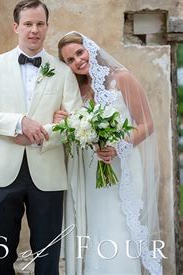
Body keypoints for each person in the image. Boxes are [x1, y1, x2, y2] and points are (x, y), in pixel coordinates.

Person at [0, 0, 83, 275]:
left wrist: (40, 134)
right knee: (1, 255)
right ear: (16, 27)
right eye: (28, 24)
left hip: (48, 172)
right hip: (1, 173)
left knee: (47, 257)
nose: (34, 30)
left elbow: (76, 120)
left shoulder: (62, 71)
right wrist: (19, 123)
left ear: (47, 27)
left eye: (40, 24)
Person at [55, 31, 162, 275]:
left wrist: (118, 146)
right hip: (93, 173)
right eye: (70, 61)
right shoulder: (78, 91)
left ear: (90, 48)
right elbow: (76, 129)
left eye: (79, 53)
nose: (78, 62)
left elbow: (146, 124)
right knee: (97, 229)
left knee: (120, 228)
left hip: (122, 167)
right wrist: (65, 120)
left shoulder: (121, 79)